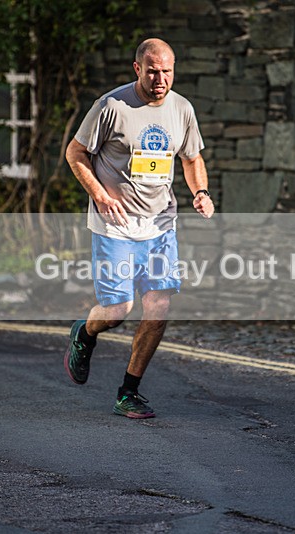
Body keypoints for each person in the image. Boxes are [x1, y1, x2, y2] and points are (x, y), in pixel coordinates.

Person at [64, 38, 214, 419]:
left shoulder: (182, 109)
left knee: (159, 307)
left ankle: (128, 391)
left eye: (167, 71)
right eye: (152, 71)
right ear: (137, 69)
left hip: (160, 224)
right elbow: (75, 153)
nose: (160, 79)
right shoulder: (112, 106)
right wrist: (99, 195)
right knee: (117, 309)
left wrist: (200, 191)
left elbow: (192, 157)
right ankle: (85, 332)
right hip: (115, 225)